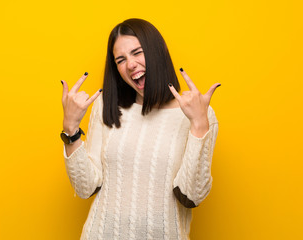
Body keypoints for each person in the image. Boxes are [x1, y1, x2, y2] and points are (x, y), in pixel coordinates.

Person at [60, 18, 220, 240]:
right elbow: (86, 187)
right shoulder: (106, 105)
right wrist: (71, 129)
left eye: (137, 52)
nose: (130, 64)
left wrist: (199, 126)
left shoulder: (198, 113)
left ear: (157, 52)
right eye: (121, 60)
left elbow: (192, 195)